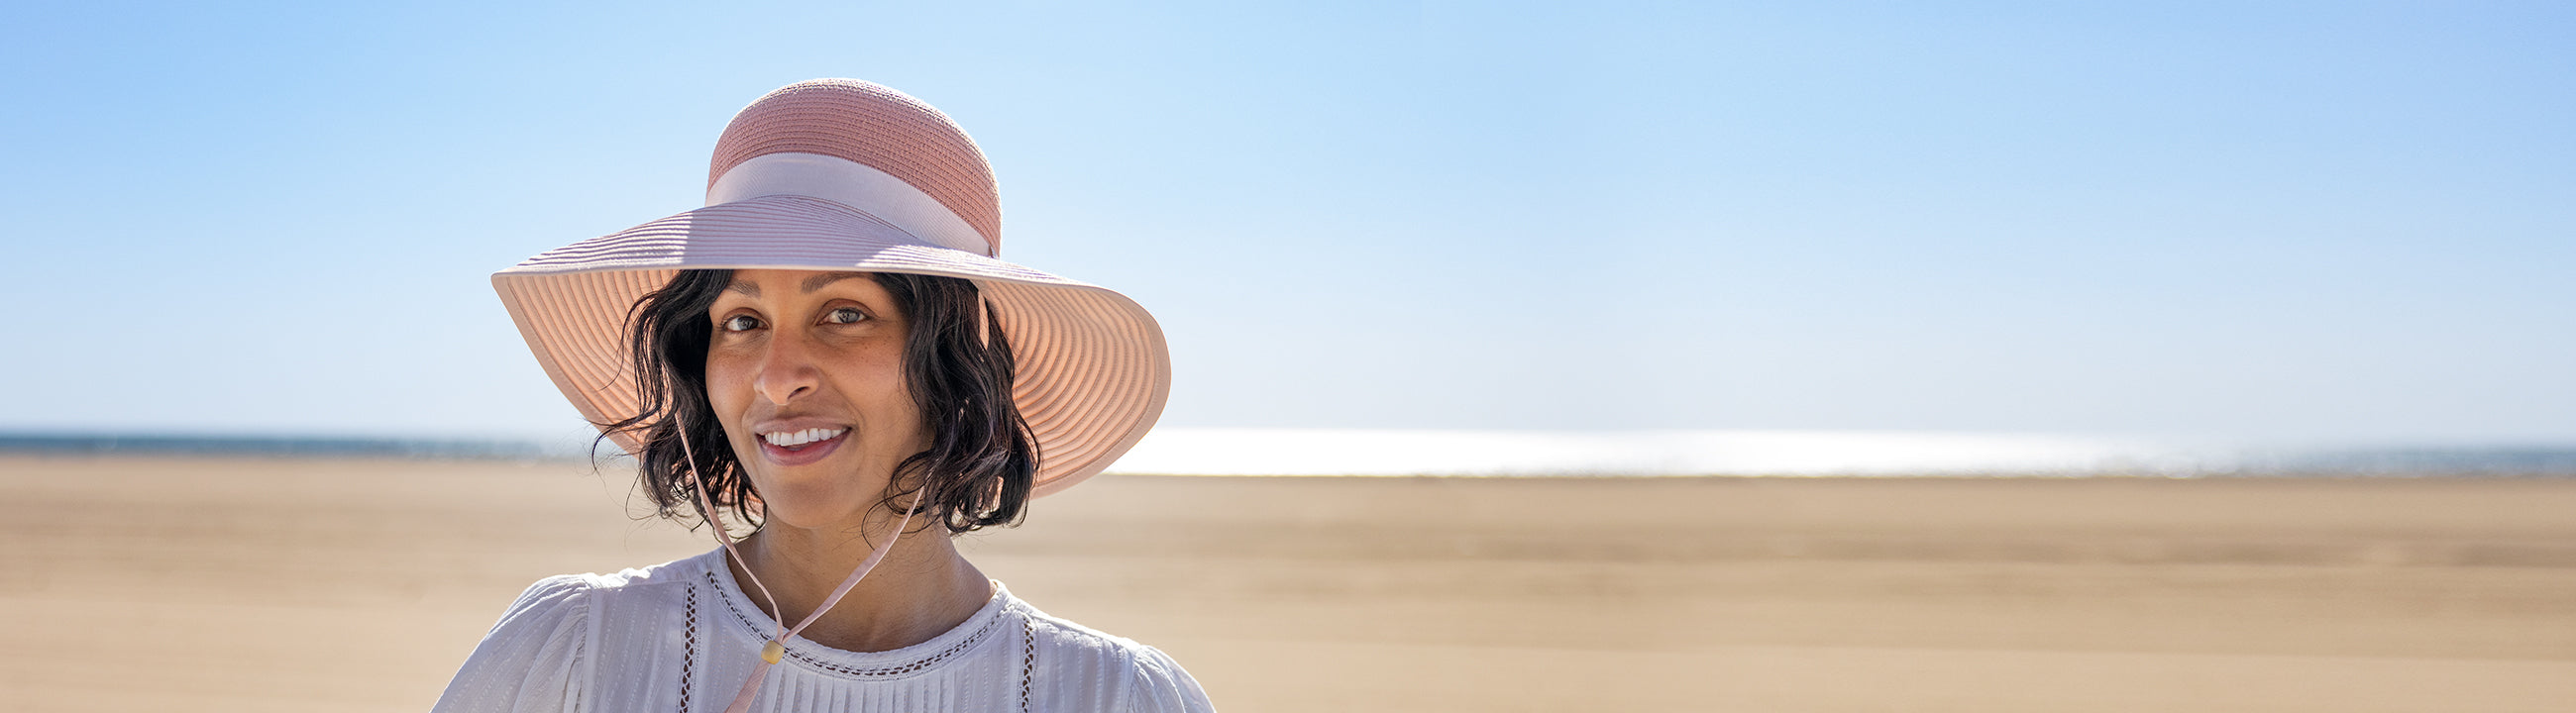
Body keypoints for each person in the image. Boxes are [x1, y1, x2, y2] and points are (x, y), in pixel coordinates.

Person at [434, 79, 1210, 713]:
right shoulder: (577, 652)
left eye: (844, 314)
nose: (777, 376)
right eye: (741, 321)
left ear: (954, 357)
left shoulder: (1114, 696)